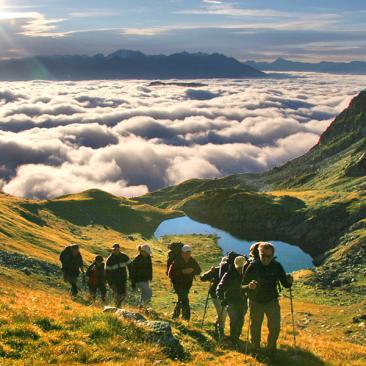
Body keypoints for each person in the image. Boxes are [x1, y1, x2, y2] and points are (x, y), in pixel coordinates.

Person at [242, 242, 293, 359]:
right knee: (255, 327)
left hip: (272, 301)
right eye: (263, 255)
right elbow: (242, 286)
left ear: (273, 255)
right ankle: (255, 349)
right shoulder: (252, 266)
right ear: (259, 253)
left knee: (275, 327)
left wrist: (289, 282)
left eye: (268, 256)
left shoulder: (277, 266)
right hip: (256, 301)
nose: (265, 258)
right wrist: (249, 286)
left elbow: (285, 285)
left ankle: (271, 350)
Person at [217, 256, 248, 345]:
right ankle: (234, 339)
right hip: (231, 301)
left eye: (242, 267)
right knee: (234, 321)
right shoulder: (228, 274)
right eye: (239, 267)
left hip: (243, 301)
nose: (240, 269)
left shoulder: (247, 273)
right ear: (235, 265)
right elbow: (220, 288)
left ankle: (235, 338)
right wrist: (222, 299)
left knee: (240, 320)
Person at [168, 244, 201, 321]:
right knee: (185, 300)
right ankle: (186, 319)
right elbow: (171, 274)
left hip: (187, 285)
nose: (188, 254)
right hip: (178, 284)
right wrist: (182, 271)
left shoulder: (192, 260)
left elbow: (199, 270)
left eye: (189, 253)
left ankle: (175, 316)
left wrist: (192, 270)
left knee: (181, 299)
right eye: (186, 253)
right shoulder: (176, 261)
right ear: (182, 253)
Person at [200, 265, 227, 337]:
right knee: (223, 313)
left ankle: (218, 326)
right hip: (215, 295)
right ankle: (220, 331)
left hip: (225, 295)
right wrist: (210, 272)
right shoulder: (217, 270)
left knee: (223, 312)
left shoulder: (231, 270)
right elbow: (202, 278)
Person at [105, 243, 131, 308]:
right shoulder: (109, 260)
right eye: (114, 249)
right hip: (113, 280)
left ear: (119, 249)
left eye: (117, 249)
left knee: (123, 294)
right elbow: (107, 272)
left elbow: (130, 266)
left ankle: (118, 306)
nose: (116, 250)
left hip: (123, 279)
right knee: (116, 294)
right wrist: (109, 282)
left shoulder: (124, 256)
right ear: (112, 250)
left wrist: (131, 275)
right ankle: (117, 307)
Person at [130, 243, 153, 309]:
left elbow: (150, 268)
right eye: (146, 252)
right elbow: (132, 272)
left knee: (145, 293)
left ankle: (142, 307)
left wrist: (150, 277)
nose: (148, 254)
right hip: (139, 279)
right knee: (148, 292)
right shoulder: (137, 259)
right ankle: (143, 306)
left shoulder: (148, 258)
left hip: (145, 279)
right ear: (142, 252)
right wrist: (133, 282)